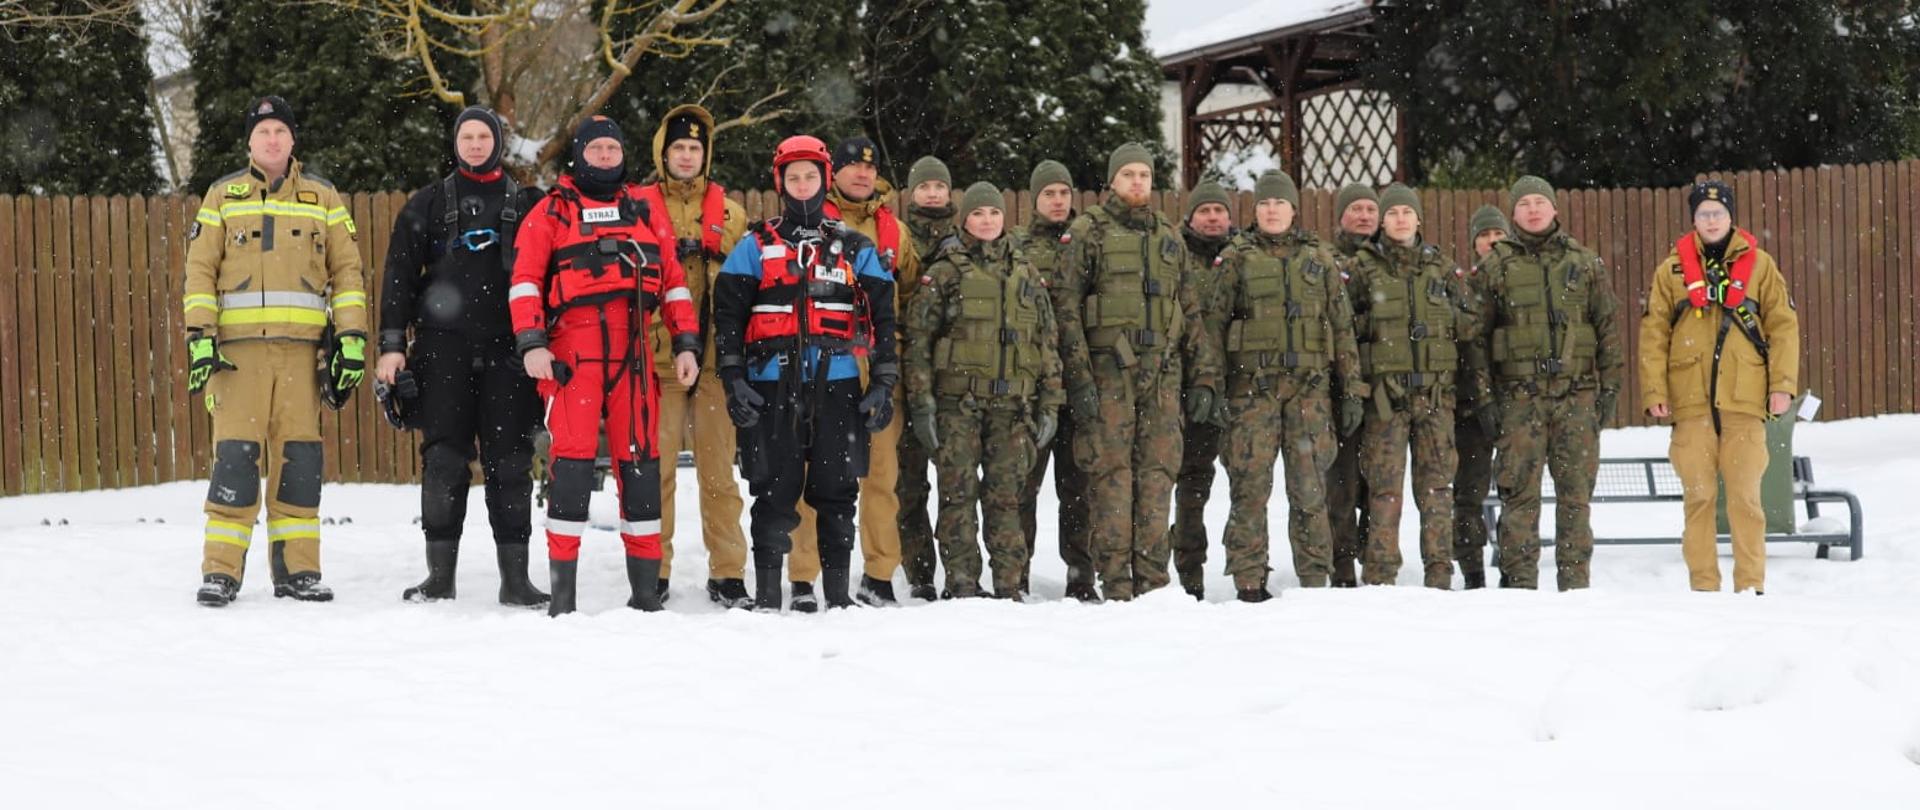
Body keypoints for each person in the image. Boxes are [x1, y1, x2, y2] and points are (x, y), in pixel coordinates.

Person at [509, 116, 701, 616]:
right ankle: (563, 597)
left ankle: (644, 596)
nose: (605, 156)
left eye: (613, 148)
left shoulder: (645, 210)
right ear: (579, 155)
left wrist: (685, 343)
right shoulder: (552, 211)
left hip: (635, 352)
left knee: (640, 468)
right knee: (570, 468)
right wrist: (531, 342)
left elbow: (674, 282)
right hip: (573, 354)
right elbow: (526, 279)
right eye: (596, 149)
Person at [186, 95, 367, 607]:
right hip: (236, 357)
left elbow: (347, 272)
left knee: (300, 464)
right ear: (249, 141)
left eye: (280, 132)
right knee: (236, 463)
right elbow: (199, 270)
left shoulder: (324, 199)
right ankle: (220, 572)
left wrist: (351, 337)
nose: (272, 140)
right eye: (263, 132)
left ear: (293, 140)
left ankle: (299, 571)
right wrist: (200, 337)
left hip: (302, 356)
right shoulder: (223, 196)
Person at [712, 135, 899, 612]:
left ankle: (837, 599)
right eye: (792, 177)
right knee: (774, 491)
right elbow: (728, 316)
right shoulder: (755, 245)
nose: (801, 185)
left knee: (837, 492)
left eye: (810, 176)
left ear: (824, 179)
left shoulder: (855, 246)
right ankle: (768, 598)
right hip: (771, 386)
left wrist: (882, 382)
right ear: (780, 181)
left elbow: (883, 317)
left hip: (837, 386)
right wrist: (734, 379)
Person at [376, 106, 548, 607]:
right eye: (466, 137)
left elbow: (552, 278)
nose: (475, 144)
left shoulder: (529, 204)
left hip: (509, 354)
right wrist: (391, 347)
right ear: (455, 143)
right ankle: (439, 578)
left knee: (510, 463)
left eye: (483, 136)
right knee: (444, 462)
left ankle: (515, 580)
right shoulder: (425, 205)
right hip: (441, 351)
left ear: (498, 141)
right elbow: (397, 281)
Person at [1055, 142, 1219, 601]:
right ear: (1112, 181)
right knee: (1111, 477)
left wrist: (1203, 376)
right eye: (1127, 175)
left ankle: (1153, 580)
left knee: (1157, 474)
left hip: (1162, 378)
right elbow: (1066, 309)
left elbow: (1189, 309)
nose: (1136, 183)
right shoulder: (1088, 232)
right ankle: (1117, 582)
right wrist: (1079, 379)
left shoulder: (1169, 237)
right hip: (1109, 377)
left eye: (1144, 176)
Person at [1206, 170, 1366, 600]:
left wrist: (1352, 390)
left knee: (1310, 490)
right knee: (1249, 489)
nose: (1272, 209)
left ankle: (1314, 575)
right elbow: (1213, 329)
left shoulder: (1320, 259)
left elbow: (1342, 328)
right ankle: (1248, 578)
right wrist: (1211, 387)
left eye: (1280, 203)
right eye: (1265, 203)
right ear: (1255, 210)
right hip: (1251, 394)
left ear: (1293, 209)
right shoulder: (1235, 259)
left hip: (1308, 394)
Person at [1638, 180, 1799, 594]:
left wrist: (1782, 385)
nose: (1711, 220)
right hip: (1690, 402)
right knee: (1699, 498)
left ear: (1731, 217)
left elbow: (1783, 328)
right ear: (1693, 219)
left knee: (1746, 500)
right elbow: (1653, 333)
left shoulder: (1760, 265)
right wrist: (1655, 390)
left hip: (1745, 400)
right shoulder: (1670, 271)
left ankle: (1751, 586)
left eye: (1719, 213)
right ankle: (1704, 588)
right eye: (1704, 214)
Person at [905, 182, 1064, 599]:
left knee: (1007, 498)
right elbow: (919, 344)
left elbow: (1046, 343)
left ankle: (1009, 584)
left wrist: (1050, 401)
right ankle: (962, 583)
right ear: (965, 220)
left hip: (1013, 408)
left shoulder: (1025, 273)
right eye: (978, 214)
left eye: (994, 213)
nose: (987, 221)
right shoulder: (943, 272)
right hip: (959, 406)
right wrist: (923, 406)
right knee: (958, 496)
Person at [1476, 176, 1624, 590]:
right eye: (1525, 204)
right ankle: (1520, 585)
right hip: (1518, 401)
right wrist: (1486, 400)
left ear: (1555, 209)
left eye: (1541, 202)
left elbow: (1607, 330)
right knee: (1519, 499)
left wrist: (1609, 391)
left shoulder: (1584, 263)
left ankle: (1575, 586)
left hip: (1575, 399)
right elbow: (1476, 340)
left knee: (1575, 499)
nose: (1534, 210)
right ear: (1513, 213)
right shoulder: (1496, 266)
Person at [632, 104, 754, 609]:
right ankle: (652, 570)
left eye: (695, 148)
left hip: (714, 364)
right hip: (658, 361)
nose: (686, 155)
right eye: (678, 147)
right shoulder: (636, 205)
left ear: (706, 154)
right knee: (654, 469)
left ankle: (727, 572)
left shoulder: (732, 213)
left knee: (718, 473)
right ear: (663, 151)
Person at [784, 136, 912, 608]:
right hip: (824, 362)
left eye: (870, 167)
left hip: (875, 367)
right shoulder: (812, 222)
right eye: (850, 167)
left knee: (881, 475)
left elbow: (909, 296)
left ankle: (878, 574)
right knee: (813, 474)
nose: (862, 174)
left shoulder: (895, 230)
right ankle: (805, 574)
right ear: (829, 173)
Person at [1347, 184, 1481, 588]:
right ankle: (1380, 573)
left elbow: (1469, 325)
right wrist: (1381, 329)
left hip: (1435, 399)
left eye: (1407, 213)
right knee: (1384, 492)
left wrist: (1441, 325)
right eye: (1393, 214)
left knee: (1437, 490)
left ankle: (1439, 572)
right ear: (1382, 222)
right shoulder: (1362, 268)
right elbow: (1341, 329)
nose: (1401, 219)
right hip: (1386, 400)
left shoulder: (1440, 268)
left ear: (1418, 219)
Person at [1013, 159, 1098, 602]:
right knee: (1023, 483)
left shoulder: (1086, 242)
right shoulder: (1015, 247)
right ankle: (1017, 570)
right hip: (1030, 386)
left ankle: (1082, 573)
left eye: (1064, 193)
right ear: (1034, 199)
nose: (1058, 200)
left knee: (1079, 485)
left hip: (1083, 381)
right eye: (1049, 194)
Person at [1172, 180, 1236, 599]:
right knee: (1189, 486)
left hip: (1241, 390)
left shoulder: (1243, 258)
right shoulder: (1173, 257)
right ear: (1191, 216)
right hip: (1185, 390)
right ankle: (1189, 572)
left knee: (1249, 488)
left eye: (1219, 210)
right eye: (1204, 211)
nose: (1212, 218)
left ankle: (1250, 567)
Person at [896, 154, 953, 598]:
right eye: (925, 186)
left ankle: (960, 571)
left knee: (956, 481)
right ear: (911, 193)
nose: (933, 193)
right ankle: (918, 573)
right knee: (907, 481)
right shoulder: (896, 239)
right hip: (902, 373)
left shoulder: (966, 238)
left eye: (940, 186)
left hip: (954, 378)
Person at [1451, 204, 1509, 588]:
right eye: (1484, 235)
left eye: (1498, 234)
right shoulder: (1460, 285)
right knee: (1468, 493)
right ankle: (1472, 570)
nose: (1491, 241)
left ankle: (1511, 564)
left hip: (1516, 403)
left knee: (1515, 491)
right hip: (1469, 407)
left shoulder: (1522, 281)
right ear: (1474, 242)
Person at [1326, 183, 1380, 586]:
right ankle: (1342, 565)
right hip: (1338, 388)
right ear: (1341, 215)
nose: (1364, 215)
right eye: (1356, 209)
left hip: (1386, 390)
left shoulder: (1395, 258)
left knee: (1380, 481)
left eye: (1370, 209)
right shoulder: (1326, 261)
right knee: (1341, 483)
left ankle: (1376, 557)